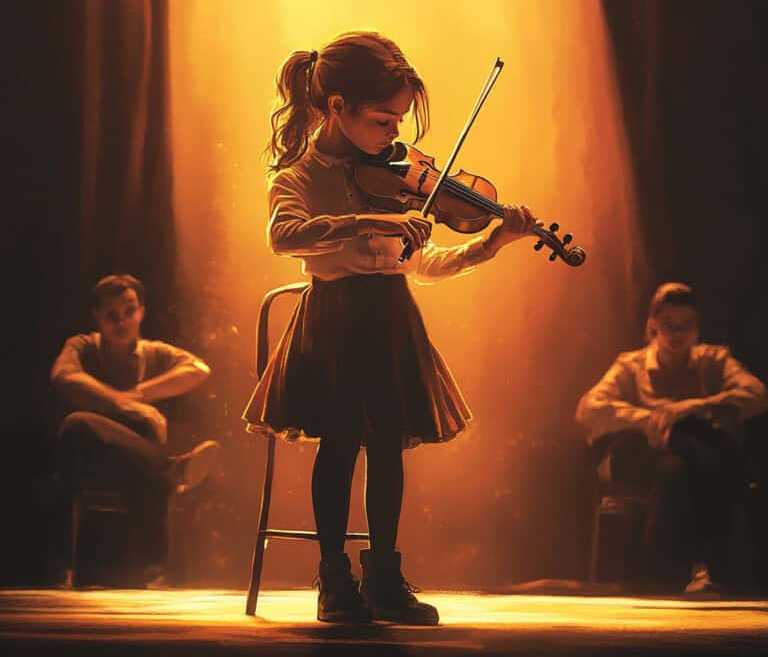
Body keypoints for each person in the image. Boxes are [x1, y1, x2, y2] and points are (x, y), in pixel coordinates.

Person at [242, 31, 538, 624]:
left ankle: (384, 575)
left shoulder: (395, 180)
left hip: (392, 318)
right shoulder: (298, 177)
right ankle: (333, 577)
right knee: (341, 440)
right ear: (336, 108)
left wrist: (490, 242)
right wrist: (364, 219)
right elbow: (283, 235)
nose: (394, 136)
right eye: (383, 120)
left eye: (398, 121)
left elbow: (424, 264)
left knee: (386, 447)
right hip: (334, 322)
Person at [576, 282, 767, 595]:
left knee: (678, 467)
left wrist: (694, 407)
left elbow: (757, 395)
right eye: (669, 326)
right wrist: (646, 418)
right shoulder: (631, 365)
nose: (678, 335)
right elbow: (589, 409)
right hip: (643, 457)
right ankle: (703, 567)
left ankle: (663, 575)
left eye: (686, 326)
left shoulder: (713, 360)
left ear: (697, 328)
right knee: (700, 452)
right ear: (652, 326)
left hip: (684, 466)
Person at [50, 274, 220, 586]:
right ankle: (171, 470)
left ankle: (160, 476)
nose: (122, 321)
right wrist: (120, 404)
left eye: (129, 311)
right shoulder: (84, 346)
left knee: (141, 447)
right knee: (77, 424)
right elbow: (63, 375)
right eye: (111, 314)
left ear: (142, 311)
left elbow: (198, 369)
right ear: (97, 317)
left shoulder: (154, 352)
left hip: (134, 467)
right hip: (91, 460)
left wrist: (139, 395)